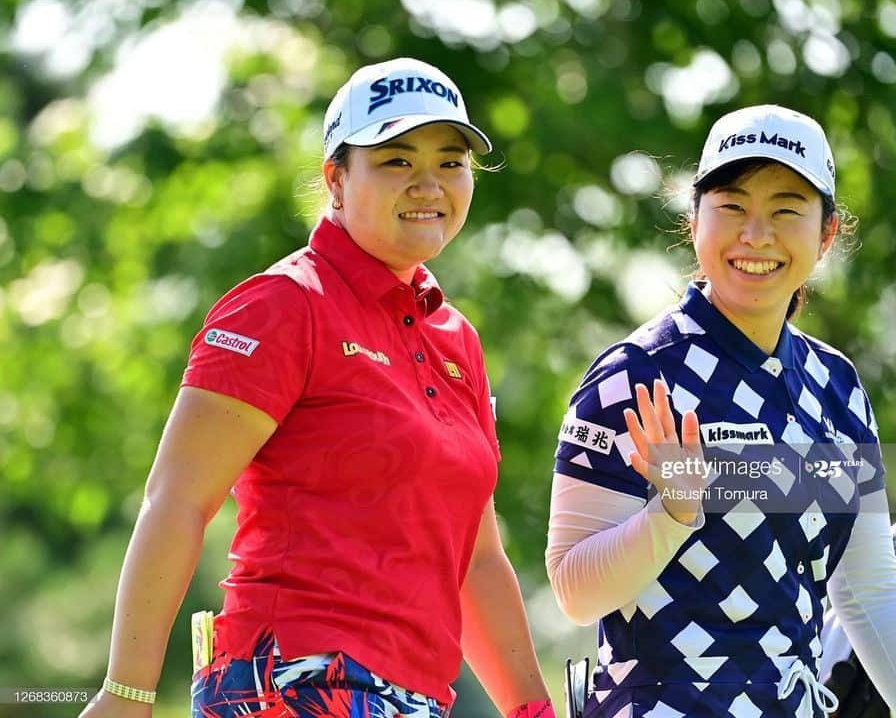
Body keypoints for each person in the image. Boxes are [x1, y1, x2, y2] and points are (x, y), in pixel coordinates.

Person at [79, 57, 554, 718]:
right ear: (336, 179)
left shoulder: (457, 340)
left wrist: (534, 710)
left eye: (450, 162)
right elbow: (178, 498)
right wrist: (126, 692)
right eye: (395, 161)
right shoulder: (281, 305)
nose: (429, 184)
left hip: (414, 697)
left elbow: (475, 561)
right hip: (292, 682)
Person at [546, 105, 896, 717]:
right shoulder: (633, 374)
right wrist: (674, 513)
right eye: (732, 207)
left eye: (786, 210)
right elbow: (575, 591)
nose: (756, 235)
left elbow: (868, 592)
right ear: (694, 221)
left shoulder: (837, 389)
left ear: (825, 235)